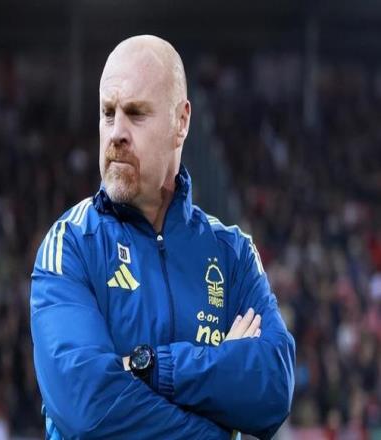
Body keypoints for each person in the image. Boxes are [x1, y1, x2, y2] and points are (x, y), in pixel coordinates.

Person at [30, 35, 295, 440]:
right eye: (108, 113)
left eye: (136, 114)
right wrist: (218, 408)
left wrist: (149, 367)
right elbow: (88, 409)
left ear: (181, 121)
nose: (116, 132)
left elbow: (273, 389)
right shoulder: (71, 245)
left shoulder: (233, 255)